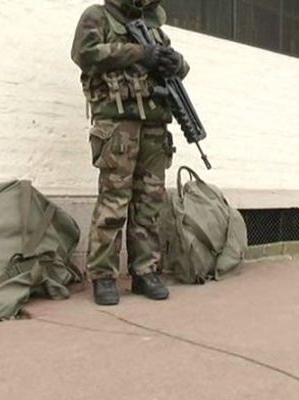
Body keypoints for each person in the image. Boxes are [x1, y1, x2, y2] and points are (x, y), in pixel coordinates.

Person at [71, 0, 189, 305]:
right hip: (117, 123)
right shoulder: (98, 16)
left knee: (150, 200)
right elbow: (84, 54)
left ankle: (145, 271)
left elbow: (178, 67)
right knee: (114, 199)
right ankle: (104, 276)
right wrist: (139, 54)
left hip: (153, 124)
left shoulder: (155, 28)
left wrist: (175, 62)